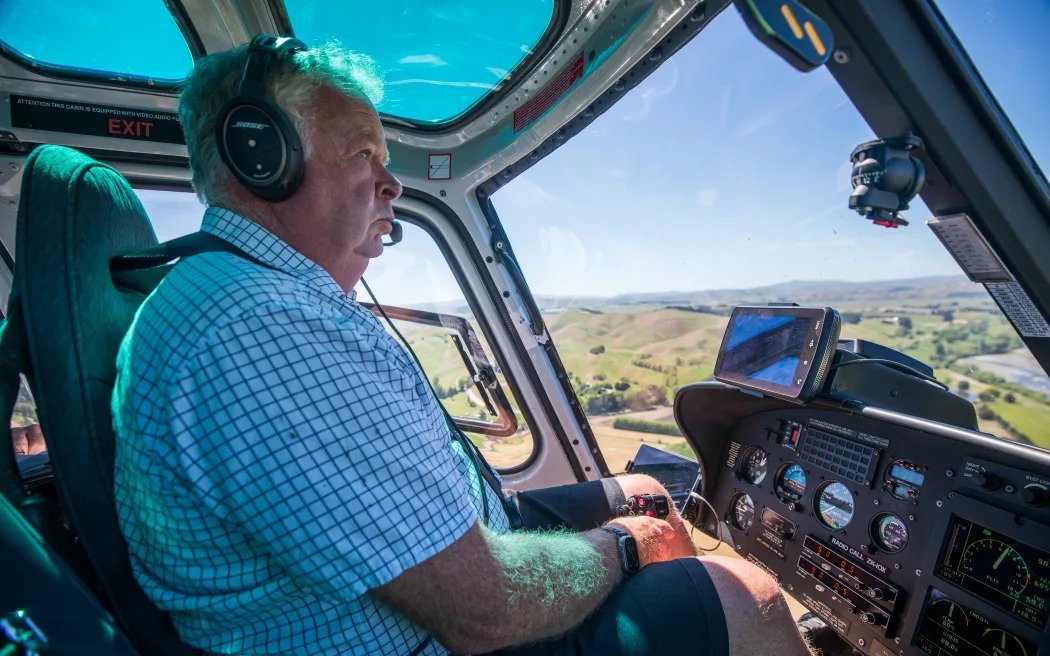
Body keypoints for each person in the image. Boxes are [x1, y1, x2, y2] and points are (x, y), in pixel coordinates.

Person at [112, 39, 816, 656]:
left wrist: (628, 534)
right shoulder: (260, 326)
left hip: (465, 550)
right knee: (742, 594)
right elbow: (483, 610)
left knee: (649, 496)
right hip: (448, 632)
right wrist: (626, 547)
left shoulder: (252, 296)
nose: (391, 183)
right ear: (261, 156)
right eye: (363, 153)